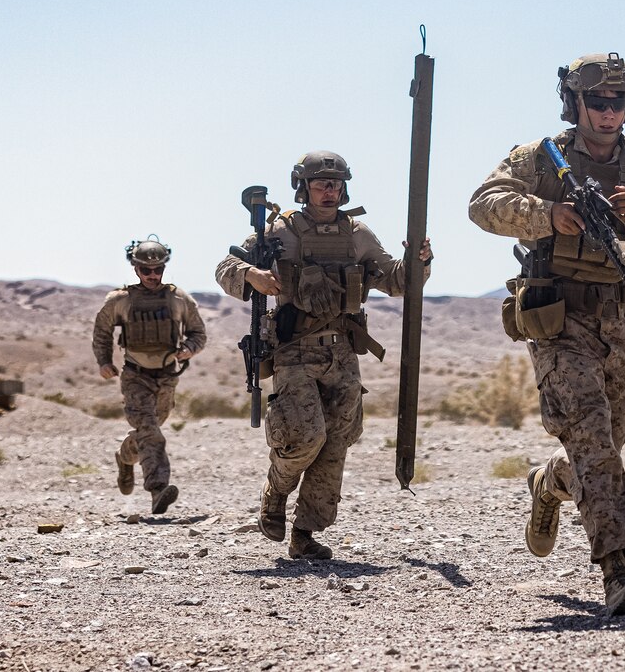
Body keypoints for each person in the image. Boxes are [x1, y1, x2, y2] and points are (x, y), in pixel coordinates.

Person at [468, 53, 625, 615]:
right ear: (576, 103)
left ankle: (550, 484)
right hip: (559, 318)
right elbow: (483, 206)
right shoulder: (541, 159)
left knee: (603, 446)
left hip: (621, 321)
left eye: (619, 104)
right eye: (598, 103)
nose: (609, 113)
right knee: (588, 431)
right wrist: (547, 214)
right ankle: (617, 570)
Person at [215, 151, 433, 560]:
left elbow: (397, 280)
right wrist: (251, 275)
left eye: (335, 184)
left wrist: (419, 262)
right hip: (294, 351)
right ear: (303, 187)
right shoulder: (279, 231)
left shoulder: (358, 234)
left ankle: (305, 533)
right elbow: (225, 266)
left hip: (343, 354)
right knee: (304, 438)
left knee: (335, 445)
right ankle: (275, 492)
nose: (329, 191)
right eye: (321, 184)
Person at [92, 236, 207, 515]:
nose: (153, 276)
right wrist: (104, 361)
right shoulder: (120, 300)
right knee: (150, 432)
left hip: (167, 376)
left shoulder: (178, 298)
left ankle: (124, 457)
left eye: (158, 270)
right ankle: (157, 490)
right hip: (135, 376)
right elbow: (102, 332)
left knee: (150, 431)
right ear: (135, 268)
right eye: (146, 271)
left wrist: (188, 349)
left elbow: (198, 333)